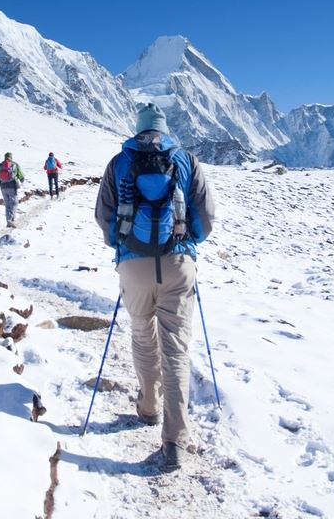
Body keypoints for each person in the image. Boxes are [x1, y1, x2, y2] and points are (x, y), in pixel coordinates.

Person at [94, 103, 216, 472]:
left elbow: (104, 215)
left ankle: (147, 406)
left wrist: (121, 245)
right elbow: (206, 217)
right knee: (176, 348)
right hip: (179, 264)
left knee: (143, 335)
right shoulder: (187, 160)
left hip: (133, 265)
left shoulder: (119, 162)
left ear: (137, 128)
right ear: (165, 129)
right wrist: (186, 242)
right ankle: (175, 438)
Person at [0, 152, 24, 227]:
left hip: (3, 187)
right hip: (12, 186)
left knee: (7, 204)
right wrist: (21, 180)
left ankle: (9, 221)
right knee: (14, 203)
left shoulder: (0, 165)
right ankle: (10, 220)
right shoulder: (15, 165)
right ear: (11, 157)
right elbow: (21, 175)